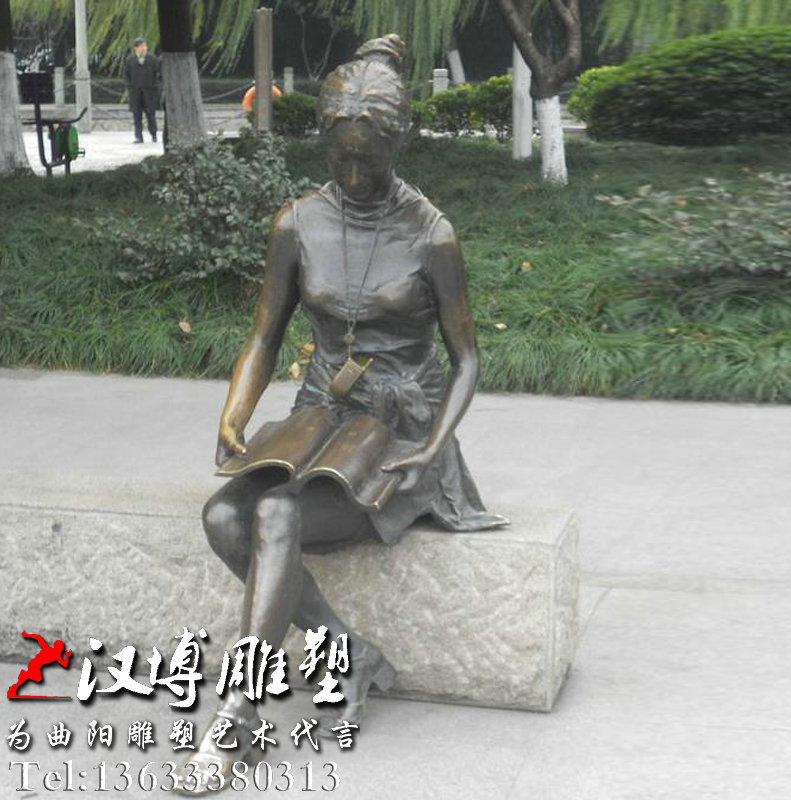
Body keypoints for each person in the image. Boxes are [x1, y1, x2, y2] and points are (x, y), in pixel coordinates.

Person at [177, 34, 507, 791]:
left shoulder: (432, 233)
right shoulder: (297, 223)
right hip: (318, 418)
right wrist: (235, 411)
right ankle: (347, 653)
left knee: (275, 515)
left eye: (370, 160)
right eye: (341, 158)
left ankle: (236, 717)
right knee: (224, 518)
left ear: (399, 142)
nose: (354, 176)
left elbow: (467, 359)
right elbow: (265, 335)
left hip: (399, 430)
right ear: (323, 141)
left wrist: (433, 448)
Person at [124, 37, 158, 144]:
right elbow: (127, 75)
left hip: (149, 92)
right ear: (136, 48)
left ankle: (154, 134)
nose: (144, 48)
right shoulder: (130, 59)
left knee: (150, 115)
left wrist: (155, 87)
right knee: (137, 115)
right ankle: (139, 136)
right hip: (135, 93)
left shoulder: (152, 59)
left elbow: (156, 74)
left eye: (145, 46)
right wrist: (130, 87)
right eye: (142, 46)